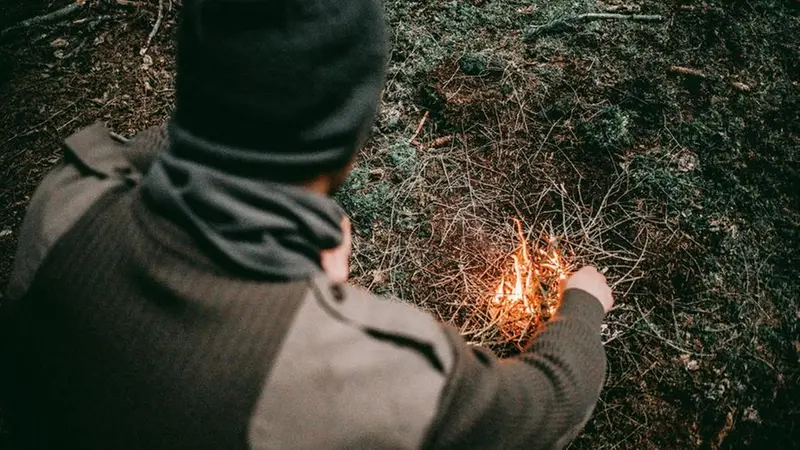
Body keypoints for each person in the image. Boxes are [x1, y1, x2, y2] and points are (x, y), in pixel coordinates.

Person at [0, 0, 614, 448]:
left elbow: (163, 149)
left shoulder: (67, 198)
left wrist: (285, 244)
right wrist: (582, 304)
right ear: (348, 137)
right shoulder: (354, 370)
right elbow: (549, 402)